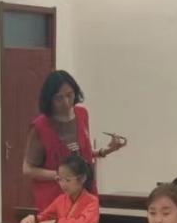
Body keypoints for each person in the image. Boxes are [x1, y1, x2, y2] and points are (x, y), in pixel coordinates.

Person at [22, 70, 128, 212]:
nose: (66, 102)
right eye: (59, 98)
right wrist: (62, 176)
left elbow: (79, 153)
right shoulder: (40, 127)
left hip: (86, 194)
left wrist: (107, 150)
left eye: (69, 95)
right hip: (56, 199)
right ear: (49, 99)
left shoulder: (82, 114)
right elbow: (28, 169)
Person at [17, 155, 99, 223]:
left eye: (67, 180)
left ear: (82, 179)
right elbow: (46, 216)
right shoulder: (61, 199)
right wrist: (34, 218)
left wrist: (56, 222)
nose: (63, 184)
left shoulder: (92, 201)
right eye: (60, 179)